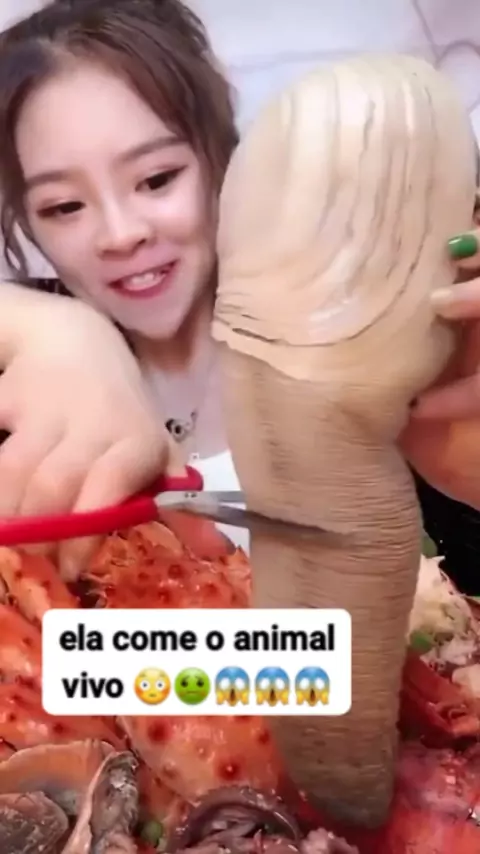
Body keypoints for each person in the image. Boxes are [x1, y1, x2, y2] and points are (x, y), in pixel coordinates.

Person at [0, 0, 479, 587]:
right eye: (64, 207)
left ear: (220, 155)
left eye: (157, 179)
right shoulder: (26, 392)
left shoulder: (372, 335)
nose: (121, 234)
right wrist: (52, 328)